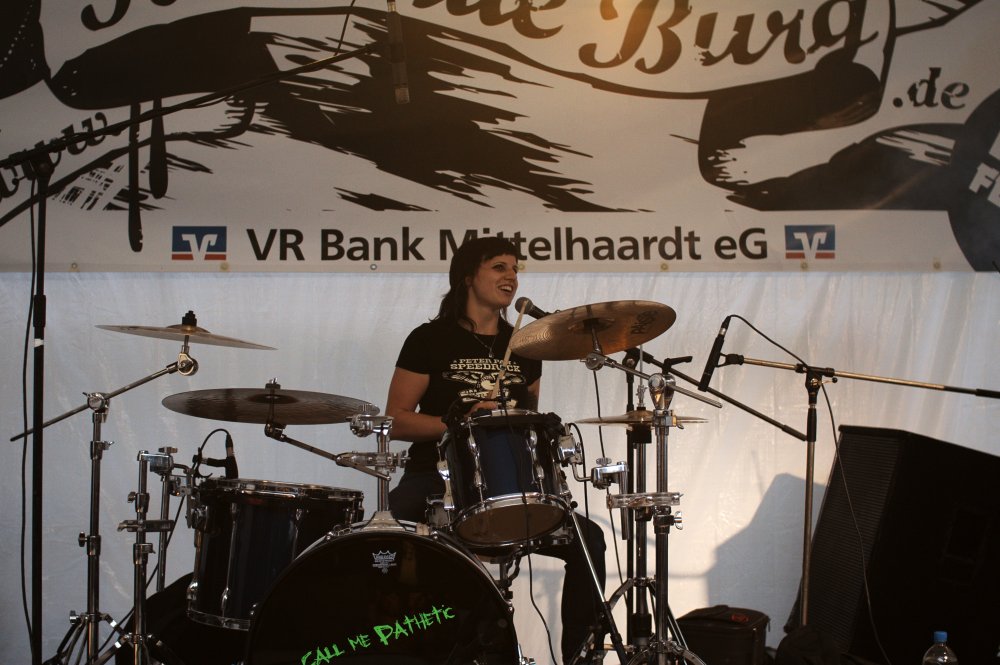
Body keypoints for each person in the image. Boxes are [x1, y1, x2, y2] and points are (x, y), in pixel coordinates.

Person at [385, 236, 607, 664]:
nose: (511, 276)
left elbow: (526, 424)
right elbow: (396, 420)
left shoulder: (528, 345)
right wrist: (456, 422)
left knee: (589, 541)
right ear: (468, 276)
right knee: (387, 536)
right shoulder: (429, 338)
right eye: (499, 267)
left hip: (509, 483)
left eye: (515, 268)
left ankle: (580, 657)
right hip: (436, 477)